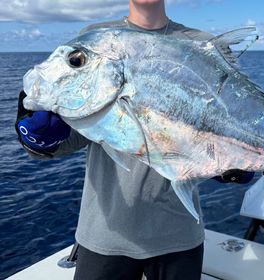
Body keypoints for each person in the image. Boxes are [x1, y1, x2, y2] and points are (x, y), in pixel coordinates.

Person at [15, 0, 214, 279]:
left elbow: (229, 126)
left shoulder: (203, 46)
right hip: (104, 235)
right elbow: (76, 136)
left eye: (77, 61)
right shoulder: (98, 39)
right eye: (76, 62)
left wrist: (233, 169)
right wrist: (40, 140)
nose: (77, 60)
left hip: (178, 235)